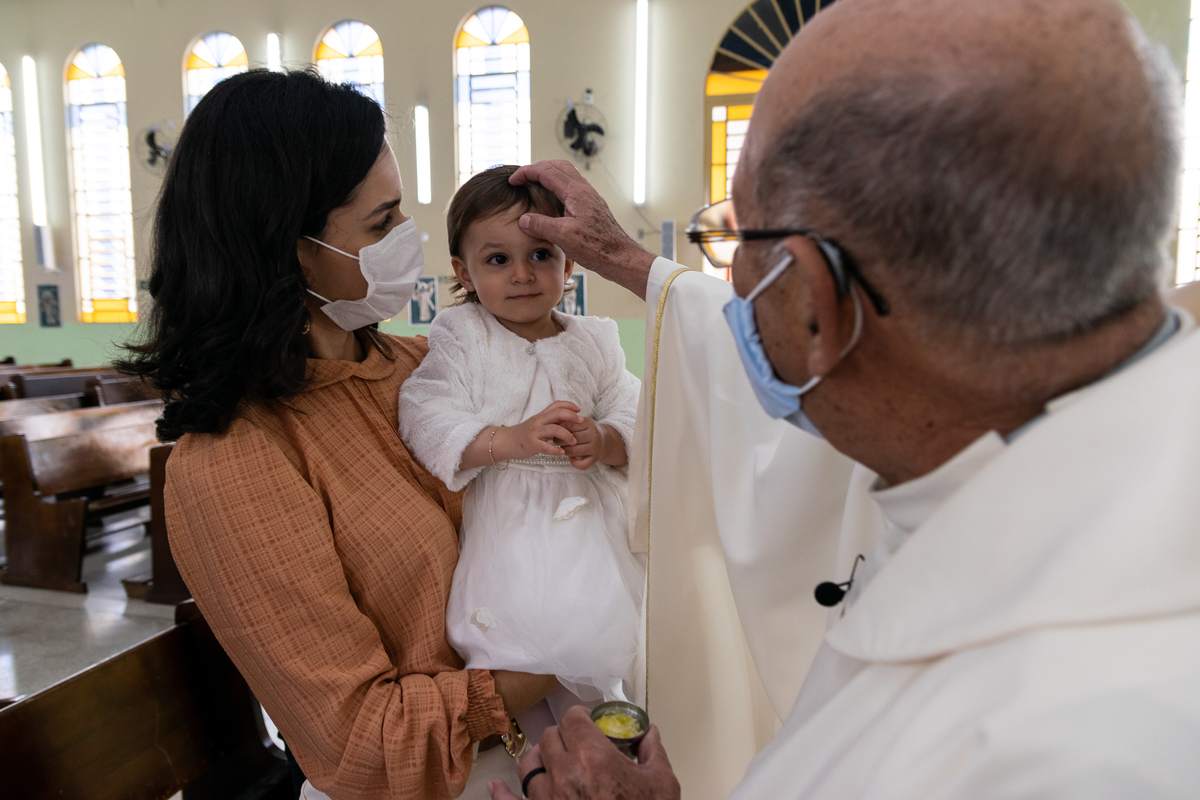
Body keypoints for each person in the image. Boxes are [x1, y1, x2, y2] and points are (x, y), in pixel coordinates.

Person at [486, 0, 1200, 798]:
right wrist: (625, 258)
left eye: (736, 237)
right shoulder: (1016, 413)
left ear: (819, 304)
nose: (732, 291)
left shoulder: (1070, 749)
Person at [117, 70, 560, 800]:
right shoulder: (234, 464)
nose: (407, 242)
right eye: (382, 224)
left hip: (535, 737)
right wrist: (579, 643)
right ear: (291, 246)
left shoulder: (425, 365)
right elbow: (361, 743)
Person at [397, 167, 644, 727]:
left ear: (569, 263)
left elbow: (632, 406)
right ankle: (539, 754)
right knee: (526, 646)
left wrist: (605, 439)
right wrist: (507, 440)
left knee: (606, 639)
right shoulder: (463, 336)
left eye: (540, 255)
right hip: (511, 518)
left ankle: (609, 740)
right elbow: (424, 411)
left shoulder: (596, 339)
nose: (523, 275)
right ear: (463, 271)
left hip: (593, 521)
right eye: (498, 260)